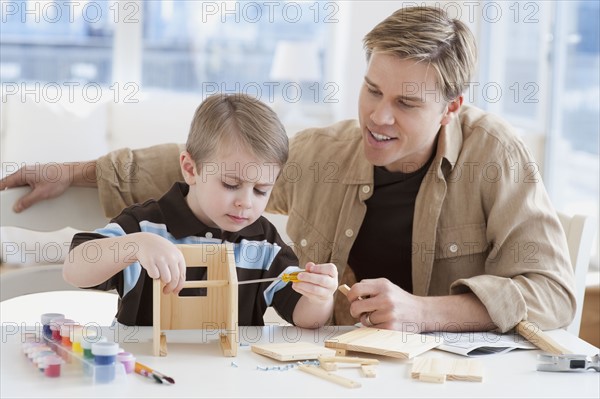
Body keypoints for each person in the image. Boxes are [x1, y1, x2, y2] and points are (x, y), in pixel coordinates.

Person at [2, 6, 575, 333]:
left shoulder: (497, 156)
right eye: (372, 89)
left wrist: (425, 312)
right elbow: (216, 163)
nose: (377, 116)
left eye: (406, 104)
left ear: (451, 107)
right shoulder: (328, 152)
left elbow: (554, 296)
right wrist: (75, 170)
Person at [62, 93, 338, 327]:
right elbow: (74, 268)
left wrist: (320, 297)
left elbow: (305, 318)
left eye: (261, 190)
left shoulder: (262, 242)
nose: (246, 202)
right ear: (191, 169)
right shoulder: (146, 226)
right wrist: (135, 246)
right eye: (231, 184)